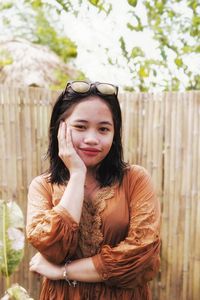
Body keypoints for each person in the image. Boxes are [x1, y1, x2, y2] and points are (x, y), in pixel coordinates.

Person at [26, 81, 161, 300]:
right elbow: (52, 248)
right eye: (80, 126)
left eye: (103, 129)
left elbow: (140, 256)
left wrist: (62, 271)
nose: (92, 139)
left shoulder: (135, 180)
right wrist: (77, 174)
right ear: (60, 129)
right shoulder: (42, 186)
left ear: (114, 134)